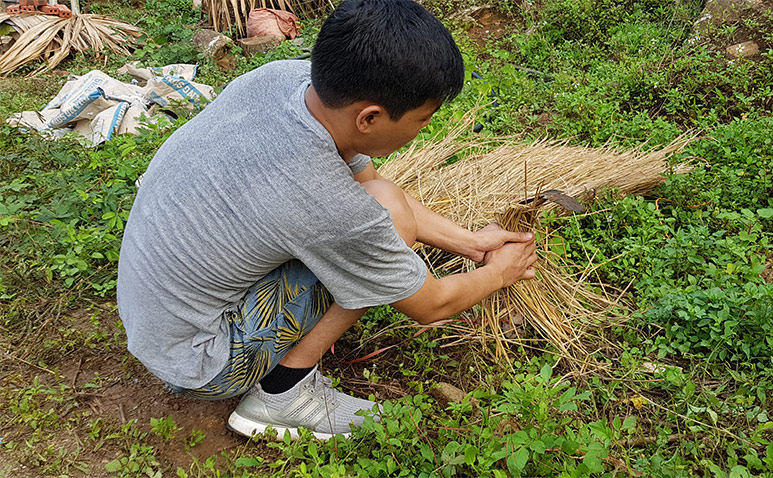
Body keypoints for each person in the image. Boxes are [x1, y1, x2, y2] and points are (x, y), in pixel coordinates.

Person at [116, 0, 537, 441]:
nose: (423, 131)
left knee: (384, 203)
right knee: (387, 219)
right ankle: (284, 395)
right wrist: (499, 273)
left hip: (155, 321)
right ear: (370, 118)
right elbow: (431, 305)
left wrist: (470, 243)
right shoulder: (320, 197)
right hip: (201, 361)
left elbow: (367, 181)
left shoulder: (282, 80)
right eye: (422, 120)